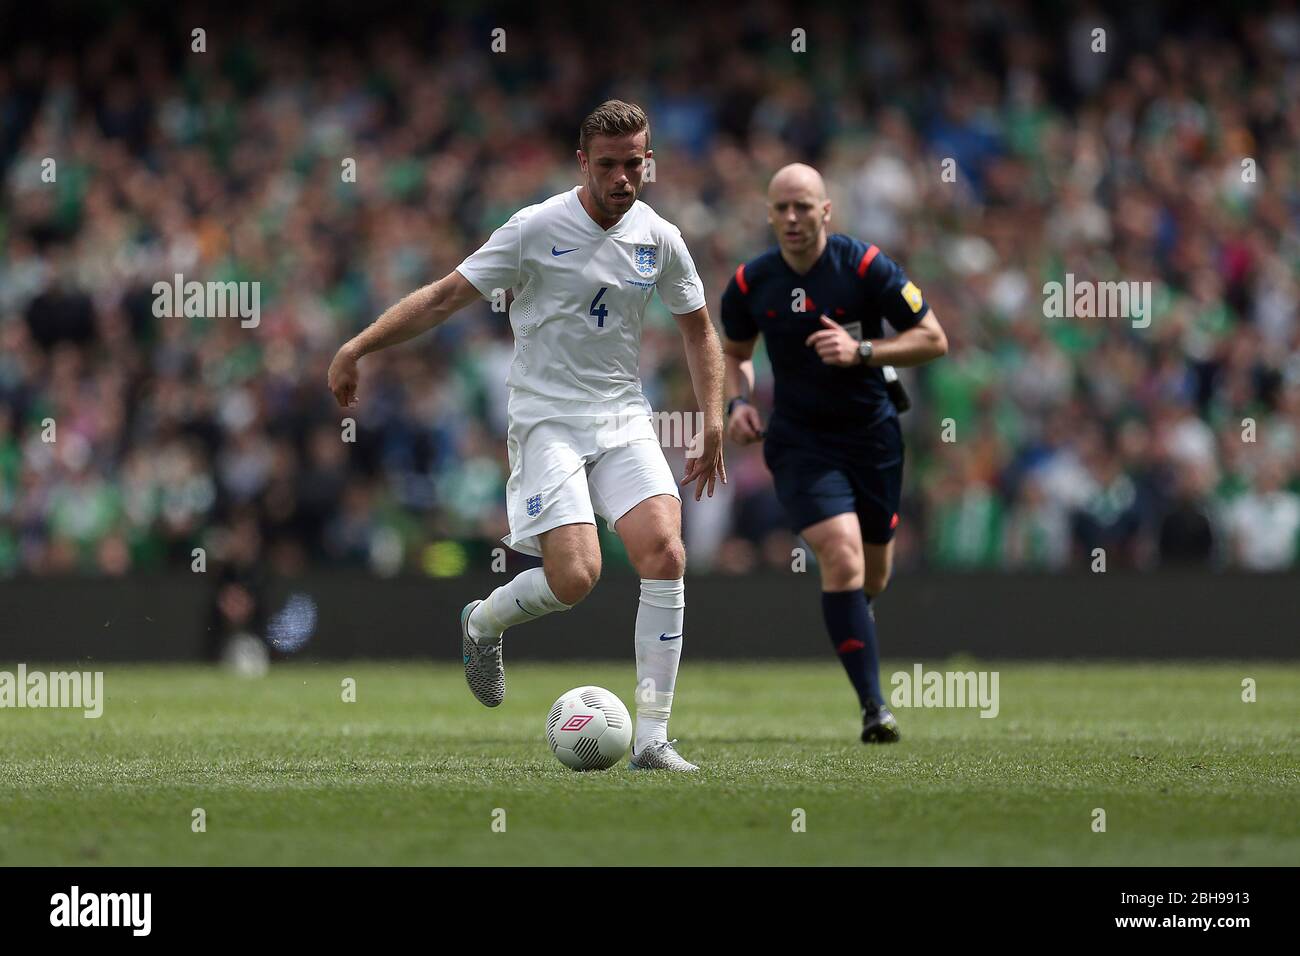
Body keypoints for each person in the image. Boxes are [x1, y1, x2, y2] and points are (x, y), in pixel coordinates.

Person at [327, 101, 725, 771]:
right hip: (546, 422)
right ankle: (482, 621)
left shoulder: (659, 237)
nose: (624, 178)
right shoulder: (535, 228)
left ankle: (653, 740)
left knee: (665, 552)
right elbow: (446, 297)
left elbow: (697, 328)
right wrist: (358, 347)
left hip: (622, 416)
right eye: (609, 165)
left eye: (636, 164)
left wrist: (713, 416)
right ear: (582, 163)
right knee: (576, 578)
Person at [719, 163, 948, 743]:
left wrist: (862, 349)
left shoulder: (865, 267)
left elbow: (933, 338)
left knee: (874, 571)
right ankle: (875, 708)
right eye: (781, 209)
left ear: (827, 211)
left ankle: (853, 619)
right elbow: (736, 354)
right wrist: (737, 403)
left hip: (872, 435)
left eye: (803, 207)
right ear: (769, 215)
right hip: (800, 442)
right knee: (842, 557)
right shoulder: (750, 284)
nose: (792, 218)